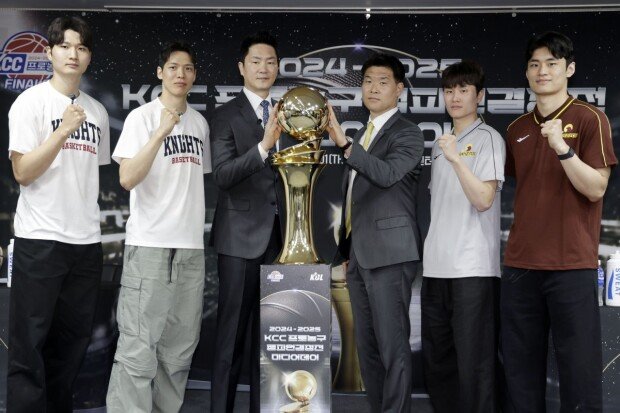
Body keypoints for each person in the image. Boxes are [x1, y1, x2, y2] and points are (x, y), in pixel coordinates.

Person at [502, 31, 617, 412]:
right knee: (520, 373)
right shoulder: (517, 128)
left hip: (571, 265)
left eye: (552, 63)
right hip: (520, 266)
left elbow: (596, 188)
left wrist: (563, 149)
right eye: (535, 64)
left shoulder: (590, 118)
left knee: (580, 372)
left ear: (569, 69)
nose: (542, 71)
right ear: (527, 72)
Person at [7, 16, 110, 412]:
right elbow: (23, 172)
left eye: (81, 47)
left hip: (85, 242)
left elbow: (90, 173)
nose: (73, 54)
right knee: (29, 344)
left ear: (89, 57)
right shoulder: (30, 102)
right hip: (40, 240)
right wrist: (62, 130)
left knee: (72, 344)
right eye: (65, 46)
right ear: (49, 53)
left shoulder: (97, 112)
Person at [105, 41, 211, 413]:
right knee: (137, 349)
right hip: (150, 246)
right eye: (173, 67)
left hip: (190, 249)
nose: (181, 74)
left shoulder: (199, 123)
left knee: (179, 351)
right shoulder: (142, 118)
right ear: (160, 72)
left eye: (188, 68)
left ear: (194, 76)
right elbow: (127, 178)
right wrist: (160, 133)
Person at [327, 53, 424, 413]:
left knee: (392, 347)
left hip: (391, 255)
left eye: (383, 82)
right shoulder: (363, 134)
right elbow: (355, 198)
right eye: (367, 81)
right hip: (360, 256)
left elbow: (386, 175)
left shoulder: (408, 133)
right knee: (366, 348)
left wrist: (345, 144)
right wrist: (347, 250)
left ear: (399, 89)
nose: (373, 88)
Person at [422, 60, 505, 413]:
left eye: (463, 90)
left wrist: (457, 160)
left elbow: (484, 199)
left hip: (473, 269)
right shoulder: (440, 144)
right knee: (438, 362)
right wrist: (449, 152)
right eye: (449, 90)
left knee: (475, 364)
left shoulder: (489, 138)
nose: (455, 97)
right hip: (435, 268)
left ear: (479, 95)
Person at [209, 31, 286, 413]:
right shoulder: (225, 115)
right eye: (256, 61)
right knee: (230, 341)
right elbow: (223, 175)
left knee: (269, 344)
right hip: (239, 242)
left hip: (281, 240)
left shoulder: (289, 112)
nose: (264, 68)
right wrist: (264, 146)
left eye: (270, 62)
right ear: (242, 67)